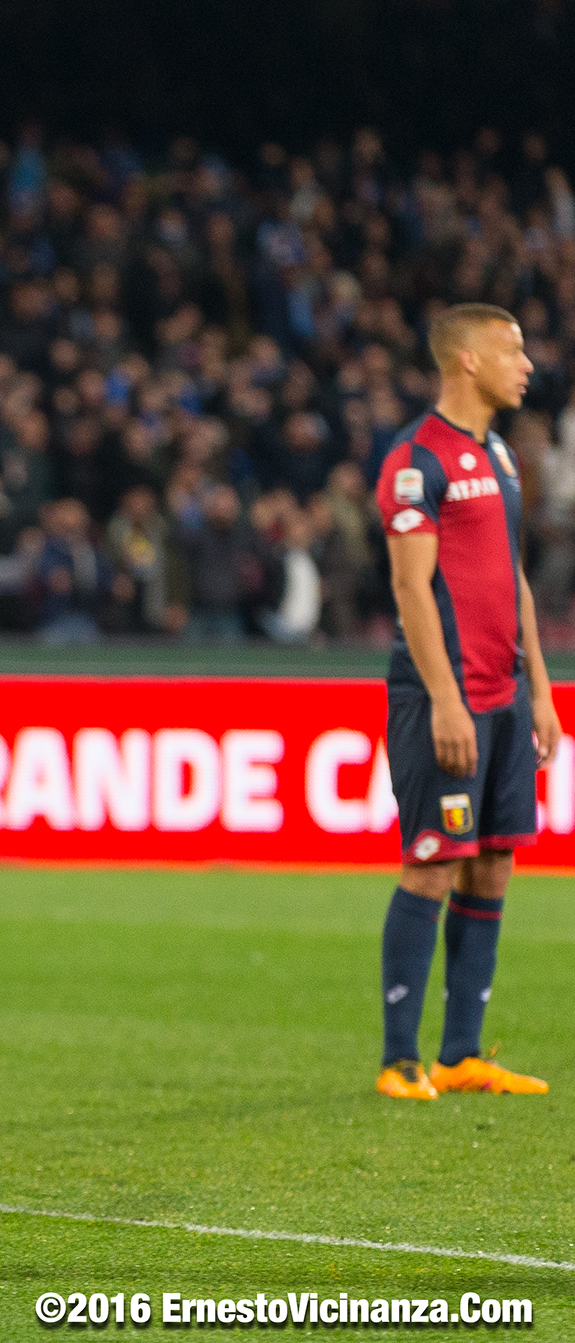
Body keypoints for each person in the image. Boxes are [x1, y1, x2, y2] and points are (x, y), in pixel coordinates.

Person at [372, 304, 562, 1101]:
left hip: (507, 694)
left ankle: (461, 1053)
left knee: (493, 863)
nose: (527, 362)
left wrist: (542, 691)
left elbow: (512, 578)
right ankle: (400, 1060)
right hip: (442, 697)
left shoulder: (502, 456)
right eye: (510, 348)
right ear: (466, 361)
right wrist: (447, 700)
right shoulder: (418, 460)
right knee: (433, 864)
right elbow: (410, 587)